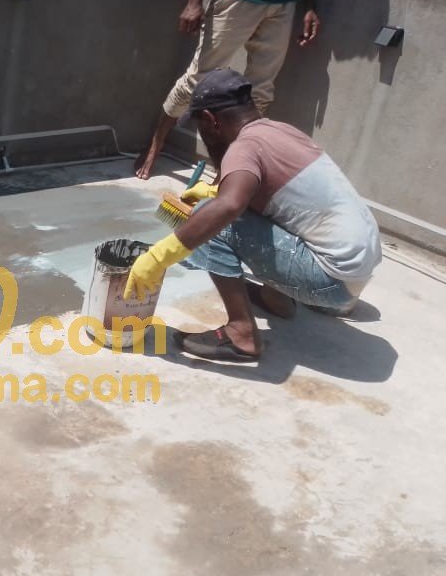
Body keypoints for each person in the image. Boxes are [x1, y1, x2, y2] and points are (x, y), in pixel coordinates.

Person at [124, 69, 382, 362]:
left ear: (210, 119)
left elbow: (229, 207)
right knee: (233, 209)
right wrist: (213, 191)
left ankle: (241, 334)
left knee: (210, 217)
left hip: (331, 279)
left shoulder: (243, 147)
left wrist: (157, 258)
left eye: (200, 126)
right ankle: (276, 299)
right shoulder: (280, 131)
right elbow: (275, 196)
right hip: (355, 270)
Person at [134, 0, 320, 180]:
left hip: (284, 3)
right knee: (197, 80)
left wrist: (311, 5)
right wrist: (194, 0)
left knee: (260, 93)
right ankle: (155, 146)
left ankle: (232, 167)